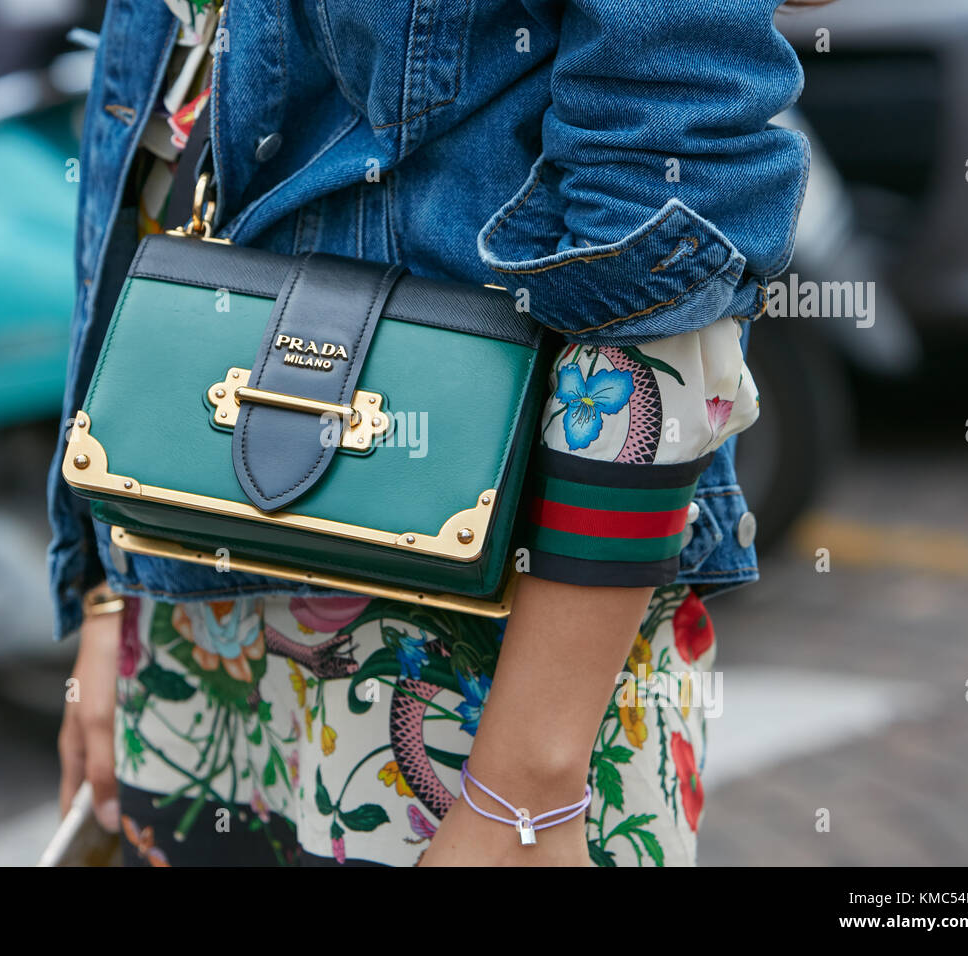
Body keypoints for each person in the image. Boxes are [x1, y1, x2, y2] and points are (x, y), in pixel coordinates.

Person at [53, 0, 821, 866]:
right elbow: (171, 116)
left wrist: (523, 790)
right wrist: (108, 590)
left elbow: (659, 222)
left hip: (479, 646)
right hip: (184, 586)